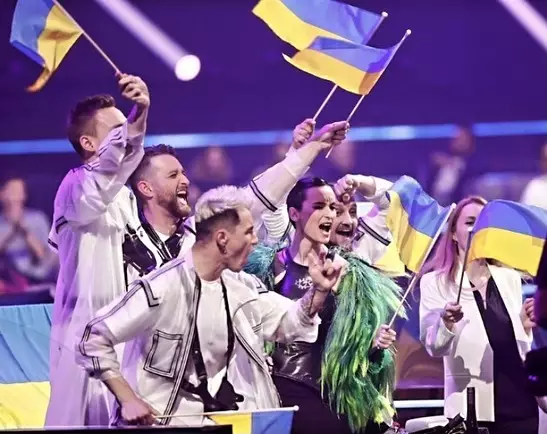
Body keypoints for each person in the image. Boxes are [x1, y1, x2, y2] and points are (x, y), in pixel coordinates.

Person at [76, 185, 341, 426]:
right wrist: (128, 399)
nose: (255, 240)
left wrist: (318, 291)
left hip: (224, 421)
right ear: (222, 238)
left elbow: (288, 322)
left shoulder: (242, 287)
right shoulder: (161, 287)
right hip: (166, 422)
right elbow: (92, 339)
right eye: (248, 232)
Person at [245, 178, 403, 434]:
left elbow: (358, 351)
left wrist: (373, 344)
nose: (330, 214)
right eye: (319, 206)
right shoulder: (266, 267)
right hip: (274, 393)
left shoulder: (348, 272)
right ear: (294, 214)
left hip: (328, 398)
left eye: (332, 207)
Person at [45, 73, 150, 427]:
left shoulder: (123, 194)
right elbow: (105, 175)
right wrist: (139, 114)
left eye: (126, 128)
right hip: (83, 335)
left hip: (124, 330)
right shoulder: (74, 185)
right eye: (116, 131)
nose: (126, 136)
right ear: (88, 143)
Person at [122, 119, 349, 282]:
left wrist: (309, 149)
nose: (185, 181)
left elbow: (261, 194)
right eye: (173, 176)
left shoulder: (200, 231)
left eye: (183, 173)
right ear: (146, 188)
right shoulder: (125, 248)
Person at [419, 195, 542, 434]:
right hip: (471, 409)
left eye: (484, 223)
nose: (477, 228)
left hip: (520, 402)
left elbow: (515, 343)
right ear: (453, 234)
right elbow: (434, 347)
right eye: (470, 222)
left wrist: (524, 325)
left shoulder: (508, 277)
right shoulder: (435, 283)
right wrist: (446, 323)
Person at [0, 175, 57, 293]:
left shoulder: (37, 218)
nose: (17, 197)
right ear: (2, 195)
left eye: (20, 192)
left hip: (37, 276)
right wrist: (12, 230)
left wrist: (23, 229)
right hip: (7, 279)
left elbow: (43, 255)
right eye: (12, 191)